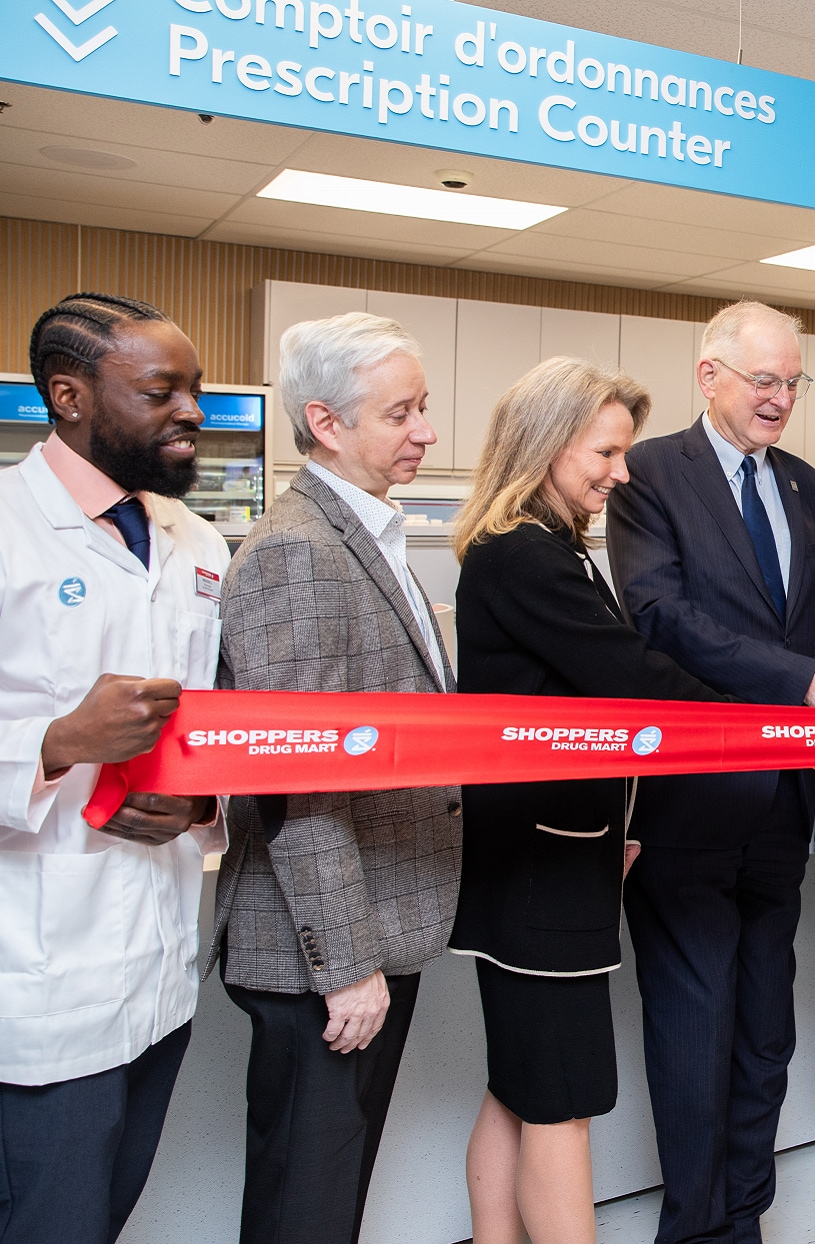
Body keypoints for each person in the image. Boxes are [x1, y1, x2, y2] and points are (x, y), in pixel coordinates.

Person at [0, 294, 225, 1244]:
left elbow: (203, 727)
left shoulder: (194, 541)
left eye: (196, 390)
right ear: (69, 395)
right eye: (161, 390)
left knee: (98, 1223)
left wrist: (199, 798)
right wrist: (58, 739)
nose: (193, 412)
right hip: (30, 981)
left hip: (154, 971)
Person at [605, 300, 815, 1244]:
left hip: (783, 801)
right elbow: (661, 617)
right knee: (695, 1034)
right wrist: (806, 680)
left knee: (767, 1032)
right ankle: (693, 1230)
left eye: (790, 382)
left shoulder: (803, 485)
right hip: (688, 803)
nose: (778, 400)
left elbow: (799, 627)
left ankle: (744, 1218)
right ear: (709, 375)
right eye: (761, 380)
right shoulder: (646, 475)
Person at [450, 357, 731, 1244]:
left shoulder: (533, 544)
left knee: (521, 1083)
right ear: (546, 444)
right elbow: (631, 681)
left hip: (541, 859)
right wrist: (765, 721)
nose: (620, 472)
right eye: (605, 453)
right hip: (543, 870)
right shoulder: (526, 553)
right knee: (563, 1103)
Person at [212, 312, 462, 1244]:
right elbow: (296, 776)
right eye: (401, 412)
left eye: (422, 408)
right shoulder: (296, 554)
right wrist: (346, 963)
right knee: (303, 1209)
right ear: (326, 422)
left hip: (375, 928)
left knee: (331, 1197)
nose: (425, 431)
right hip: (325, 952)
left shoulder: (364, 535)